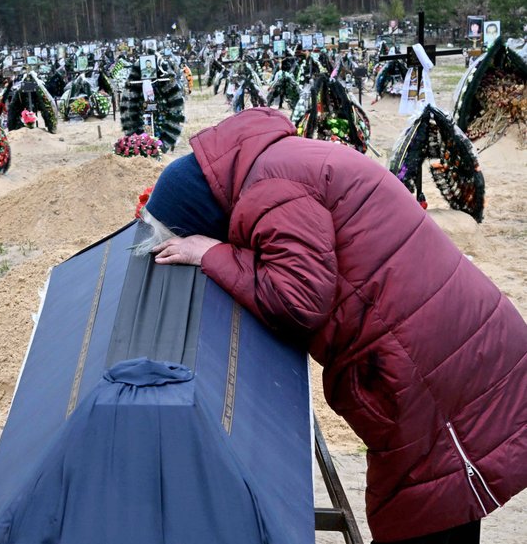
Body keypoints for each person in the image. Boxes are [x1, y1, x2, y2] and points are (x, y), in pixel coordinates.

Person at [139, 107, 527, 544]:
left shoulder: (269, 190)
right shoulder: (276, 161)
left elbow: (300, 298)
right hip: (450, 340)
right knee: (442, 502)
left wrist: (211, 254)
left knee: (435, 501)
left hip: (431, 368)